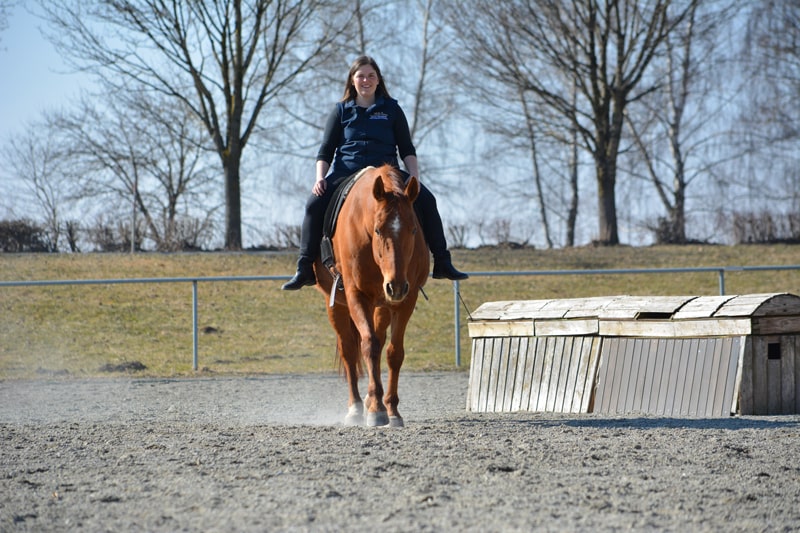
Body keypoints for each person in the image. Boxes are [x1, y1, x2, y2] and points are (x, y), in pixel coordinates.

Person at [282, 55, 468, 290]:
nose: (366, 80)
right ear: (352, 81)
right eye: (361, 76)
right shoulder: (340, 111)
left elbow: (407, 148)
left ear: (379, 80)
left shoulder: (392, 109)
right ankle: (304, 268)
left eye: (371, 76)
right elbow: (325, 150)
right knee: (313, 204)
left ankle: (442, 261)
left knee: (428, 200)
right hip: (346, 171)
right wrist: (320, 178)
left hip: (387, 173)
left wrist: (414, 177)